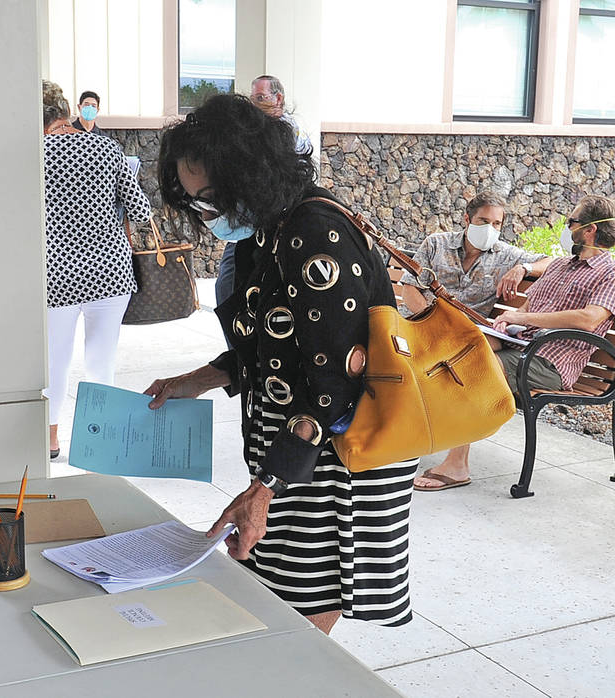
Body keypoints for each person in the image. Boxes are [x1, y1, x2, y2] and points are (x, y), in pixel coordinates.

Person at [147, 94, 419, 635]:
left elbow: (334, 382)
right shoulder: (269, 230)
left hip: (334, 447)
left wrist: (265, 487)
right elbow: (271, 346)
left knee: (301, 603)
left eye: (211, 197)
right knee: (275, 588)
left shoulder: (313, 232)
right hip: (297, 443)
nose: (207, 213)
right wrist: (195, 381)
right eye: (196, 202)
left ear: (250, 174)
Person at [414, 195, 615, 492]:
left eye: (570, 222)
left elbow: (589, 319)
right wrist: (506, 323)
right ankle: (420, 432)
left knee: (472, 368)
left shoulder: (609, 273)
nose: (566, 227)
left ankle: (457, 465)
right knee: (455, 350)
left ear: (589, 230)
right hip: (521, 344)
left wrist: (524, 318)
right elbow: (527, 307)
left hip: (550, 361)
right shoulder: (559, 266)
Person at [42, 81, 150, 459]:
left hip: (56, 276)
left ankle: (50, 439)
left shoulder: (35, 156)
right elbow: (140, 211)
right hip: (110, 273)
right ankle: (99, 442)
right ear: (66, 111)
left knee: (54, 363)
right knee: (101, 362)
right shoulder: (108, 148)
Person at [214, 76, 310, 313]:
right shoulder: (253, 130)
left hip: (275, 225)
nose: (254, 105)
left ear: (278, 98)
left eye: (260, 98)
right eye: (252, 99)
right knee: (226, 288)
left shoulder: (288, 131)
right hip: (248, 224)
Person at [399, 190, 551, 319]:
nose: (489, 229)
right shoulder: (436, 243)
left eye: (496, 223)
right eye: (483, 221)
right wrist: (432, 321)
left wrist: (523, 268)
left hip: (462, 334)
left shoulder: (506, 255)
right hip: (416, 319)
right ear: (467, 219)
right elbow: (410, 288)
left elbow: (552, 262)